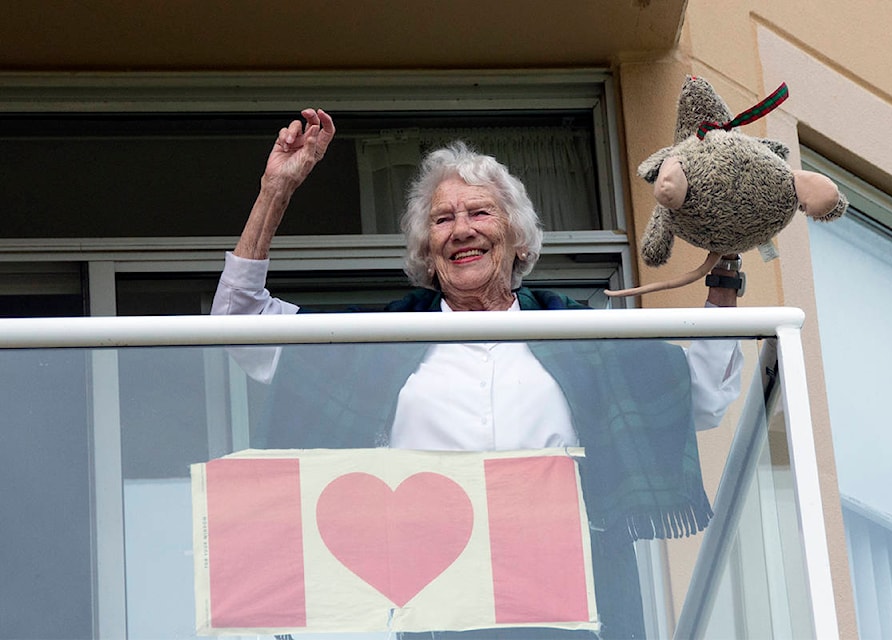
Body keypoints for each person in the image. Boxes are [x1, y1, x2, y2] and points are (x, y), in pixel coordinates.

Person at [212, 109, 744, 639]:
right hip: (428, 610)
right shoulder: (385, 338)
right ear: (427, 248)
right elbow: (240, 325)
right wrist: (275, 189)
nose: (461, 230)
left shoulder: (580, 333)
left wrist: (726, 264)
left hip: (567, 609)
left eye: (480, 214)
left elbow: (701, 392)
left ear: (516, 236)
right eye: (443, 220)